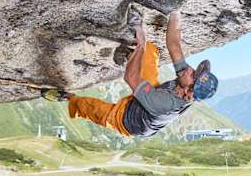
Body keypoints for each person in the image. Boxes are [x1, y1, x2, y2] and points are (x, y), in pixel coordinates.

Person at [41, 11, 218, 137]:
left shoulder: (165, 104)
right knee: (149, 52)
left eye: (193, 76)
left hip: (130, 120)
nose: (190, 69)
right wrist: (175, 12)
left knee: (93, 109)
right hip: (154, 95)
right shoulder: (186, 80)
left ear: (189, 91)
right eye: (195, 71)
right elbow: (174, 44)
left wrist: (140, 41)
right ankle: (132, 53)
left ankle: (69, 98)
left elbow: (130, 78)